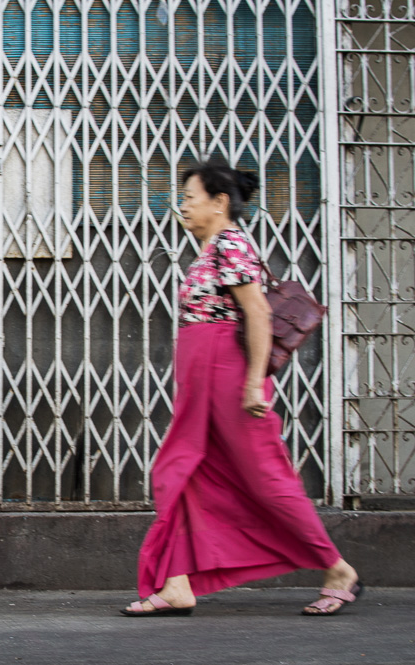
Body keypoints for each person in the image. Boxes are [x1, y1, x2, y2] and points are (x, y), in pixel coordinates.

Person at [121, 159, 362, 617]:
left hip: (228, 379)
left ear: (220, 202)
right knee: (186, 474)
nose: (183, 207)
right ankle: (176, 585)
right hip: (202, 383)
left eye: (191, 198)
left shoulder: (231, 243)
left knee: (266, 478)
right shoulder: (213, 247)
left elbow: (257, 314)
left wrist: (253, 383)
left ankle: (337, 569)